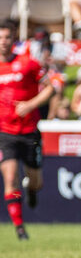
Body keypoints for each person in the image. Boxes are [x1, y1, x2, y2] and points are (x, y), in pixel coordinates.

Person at [0, 21, 58, 240]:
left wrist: (30, 105)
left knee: (35, 181)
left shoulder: (28, 64)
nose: (3, 42)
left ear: (13, 39)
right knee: (11, 177)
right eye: (0, 37)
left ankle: (32, 190)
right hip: (5, 133)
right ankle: (19, 228)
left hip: (29, 131)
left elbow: (51, 87)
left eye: (7, 37)